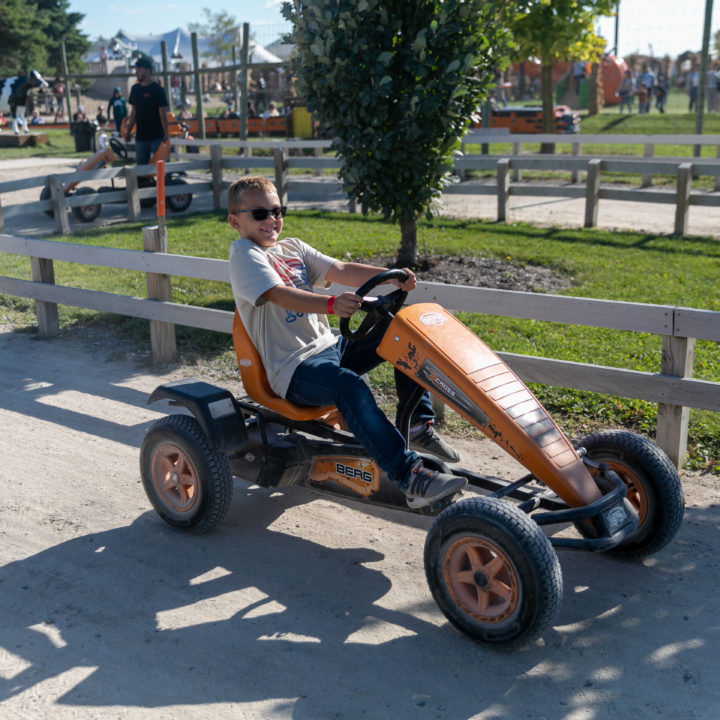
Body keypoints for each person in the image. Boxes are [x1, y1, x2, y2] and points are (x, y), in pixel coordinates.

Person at [227, 176, 466, 510]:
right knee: (348, 386)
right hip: (292, 369)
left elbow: (339, 268)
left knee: (404, 331)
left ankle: (416, 423)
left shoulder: (292, 247)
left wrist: (392, 274)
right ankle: (410, 477)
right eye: (260, 213)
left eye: (277, 211)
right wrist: (329, 304)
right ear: (235, 221)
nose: (271, 220)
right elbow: (277, 294)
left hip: (330, 350)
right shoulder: (244, 253)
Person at [124, 57, 169, 165]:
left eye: (139, 69)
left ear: (148, 71)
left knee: (162, 168)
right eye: (136, 69)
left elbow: (163, 114)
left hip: (157, 137)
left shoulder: (158, 90)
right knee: (141, 171)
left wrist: (166, 134)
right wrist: (128, 131)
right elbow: (133, 113)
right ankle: (145, 182)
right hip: (141, 137)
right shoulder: (135, 89)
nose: (136, 72)